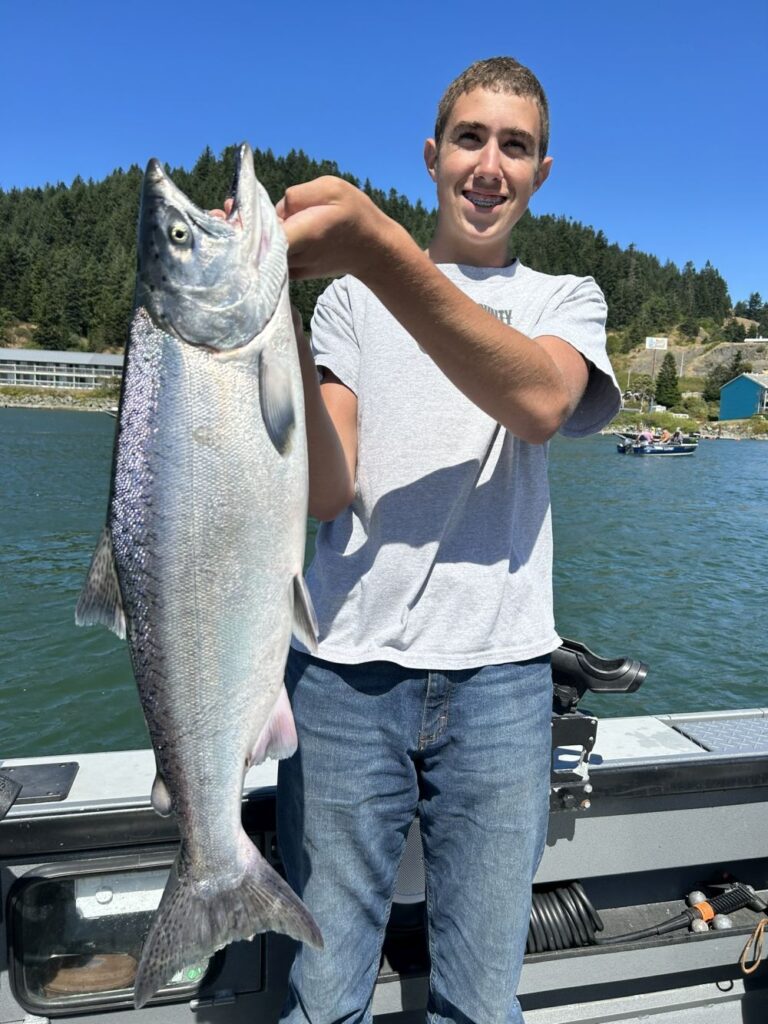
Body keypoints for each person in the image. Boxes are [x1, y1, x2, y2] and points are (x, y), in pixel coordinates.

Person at [274, 56, 621, 1024]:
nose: (489, 163)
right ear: (434, 156)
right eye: (471, 139)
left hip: (502, 681)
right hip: (341, 673)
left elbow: (543, 401)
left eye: (515, 146)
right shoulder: (347, 301)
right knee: (324, 994)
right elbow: (328, 488)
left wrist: (378, 244)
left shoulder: (565, 298)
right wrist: (277, 329)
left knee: (480, 1002)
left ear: (542, 171)